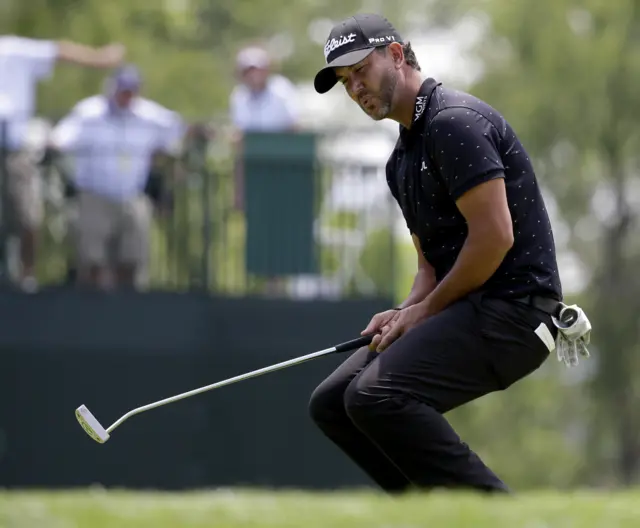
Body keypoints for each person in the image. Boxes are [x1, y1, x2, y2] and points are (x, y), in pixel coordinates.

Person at [308, 13, 565, 494]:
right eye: (346, 82)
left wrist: (425, 311)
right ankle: (434, 514)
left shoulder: (454, 123)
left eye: (360, 70)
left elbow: (495, 237)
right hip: (471, 307)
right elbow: (429, 264)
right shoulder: (400, 159)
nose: (356, 89)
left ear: (397, 55)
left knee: (375, 395)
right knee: (333, 402)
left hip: (517, 312)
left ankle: (497, 516)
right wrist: (405, 311)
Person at [0, 35, 125, 291]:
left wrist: (99, 59)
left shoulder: (13, 50)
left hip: (13, 152)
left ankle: (27, 278)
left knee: (27, 217)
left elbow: (60, 51)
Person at [49, 64, 186, 290]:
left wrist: (162, 157)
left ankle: (127, 311)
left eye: (131, 90)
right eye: (122, 90)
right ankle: (93, 310)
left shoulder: (149, 115)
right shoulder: (89, 112)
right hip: (94, 195)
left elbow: (178, 131)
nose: (126, 96)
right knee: (92, 261)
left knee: (133, 259)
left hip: (131, 195)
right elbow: (61, 138)